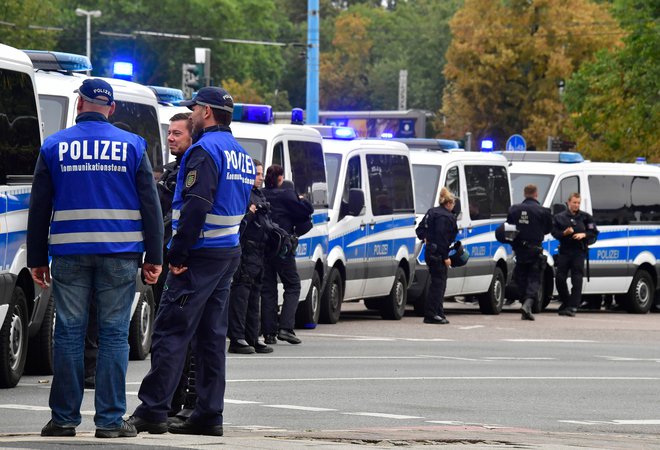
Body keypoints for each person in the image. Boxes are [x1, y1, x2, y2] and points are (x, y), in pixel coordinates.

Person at [26, 78, 163, 438]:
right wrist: (155, 255)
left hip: (69, 255)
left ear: (79, 106)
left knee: (69, 334)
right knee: (115, 335)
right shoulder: (133, 146)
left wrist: (37, 257)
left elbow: (39, 207)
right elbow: (150, 204)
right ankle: (110, 421)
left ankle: (63, 419)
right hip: (120, 254)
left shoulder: (54, 146)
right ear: (112, 109)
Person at [129, 86, 254, 437]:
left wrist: (178, 253)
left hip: (198, 256)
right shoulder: (240, 153)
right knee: (212, 338)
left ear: (207, 113)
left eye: (194, 109)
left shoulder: (203, 151)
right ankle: (208, 413)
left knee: (171, 331)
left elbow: (197, 203)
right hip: (227, 252)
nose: (192, 114)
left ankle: (153, 410)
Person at [261, 165, 313, 345]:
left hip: (264, 248)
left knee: (268, 288)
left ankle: (269, 333)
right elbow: (306, 211)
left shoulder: (261, 194)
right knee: (293, 285)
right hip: (283, 248)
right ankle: (286, 328)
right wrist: (302, 199)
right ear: (281, 178)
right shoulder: (287, 195)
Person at [227, 160, 274, 354]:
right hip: (246, 251)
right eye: (257, 174)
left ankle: (252, 337)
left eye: (262, 174)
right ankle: (237, 338)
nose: (261, 177)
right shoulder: (242, 194)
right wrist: (250, 214)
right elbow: (238, 226)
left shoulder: (259, 195)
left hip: (259, 252)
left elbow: (267, 223)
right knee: (241, 296)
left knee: (255, 295)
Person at [154, 112, 193, 304]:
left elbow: (185, 216)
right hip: (163, 256)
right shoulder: (169, 172)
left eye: (177, 133)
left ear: (192, 137)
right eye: (169, 132)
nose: (169, 138)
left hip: (179, 259)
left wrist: (174, 254)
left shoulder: (195, 171)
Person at [507, 184, 553, 321]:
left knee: (521, 278)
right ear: (536, 194)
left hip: (520, 250)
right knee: (534, 279)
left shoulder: (514, 209)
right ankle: (527, 304)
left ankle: (524, 304)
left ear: (524, 193)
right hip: (535, 250)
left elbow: (509, 227)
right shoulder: (543, 211)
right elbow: (547, 229)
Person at [551, 192, 598, 317]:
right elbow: (554, 232)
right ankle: (566, 301)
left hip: (579, 251)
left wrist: (584, 235)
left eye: (578, 203)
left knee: (576, 279)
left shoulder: (585, 217)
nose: (576, 205)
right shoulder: (559, 217)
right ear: (568, 202)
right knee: (560, 278)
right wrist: (565, 233)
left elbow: (594, 232)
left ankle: (573, 306)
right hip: (565, 251)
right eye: (574, 203)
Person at [418, 187, 458, 324]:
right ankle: (431, 314)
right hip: (439, 254)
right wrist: (445, 256)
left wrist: (426, 238)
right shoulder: (446, 217)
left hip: (429, 252)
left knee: (439, 283)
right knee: (438, 285)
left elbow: (419, 230)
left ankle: (439, 312)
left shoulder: (431, 212)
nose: (453, 207)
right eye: (453, 204)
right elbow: (443, 239)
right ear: (448, 203)